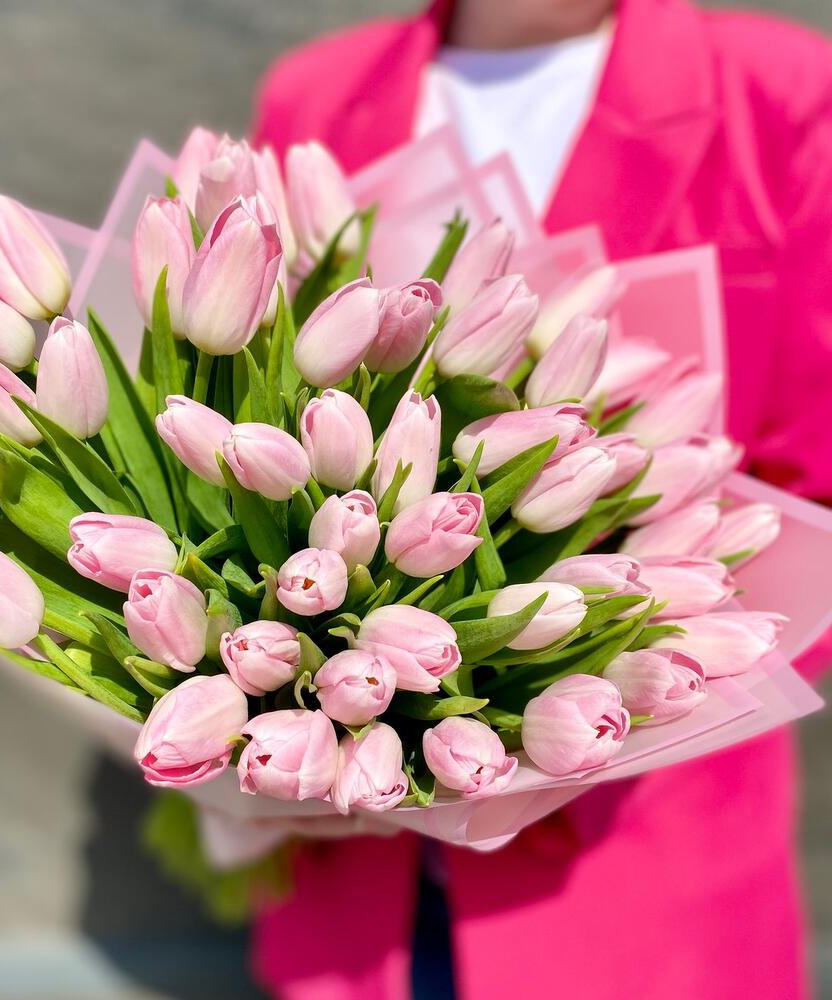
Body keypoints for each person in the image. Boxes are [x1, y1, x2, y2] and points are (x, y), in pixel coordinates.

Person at [249, 1, 832, 998]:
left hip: (635, 874)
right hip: (350, 866)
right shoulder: (320, 94)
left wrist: (587, 697)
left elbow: (811, 494)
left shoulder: (783, 96)